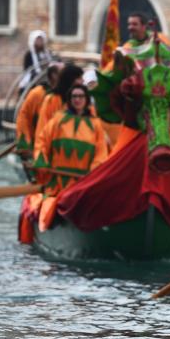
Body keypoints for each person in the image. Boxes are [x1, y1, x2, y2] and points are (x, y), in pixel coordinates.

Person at [32, 84, 110, 231]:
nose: (77, 100)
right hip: (57, 183)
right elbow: (42, 142)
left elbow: (101, 153)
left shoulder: (96, 124)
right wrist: (42, 161)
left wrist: (92, 175)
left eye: (81, 96)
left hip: (82, 184)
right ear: (69, 99)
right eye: (74, 96)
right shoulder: (57, 120)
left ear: (86, 100)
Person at [33, 64, 83, 150]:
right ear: (71, 80)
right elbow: (43, 128)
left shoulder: (82, 101)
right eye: (79, 78)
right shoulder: (51, 100)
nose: (82, 81)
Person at [15, 63, 61, 159]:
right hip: (37, 145)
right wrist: (26, 145)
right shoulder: (37, 93)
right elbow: (23, 118)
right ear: (53, 75)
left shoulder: (69, 95)